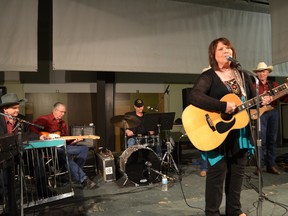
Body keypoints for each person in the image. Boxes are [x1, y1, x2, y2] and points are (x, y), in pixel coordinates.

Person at [188, 37, 272, 216]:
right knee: (217, 175)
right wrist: (222, 106)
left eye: (229, 49)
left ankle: (234, 210)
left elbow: (250, 104)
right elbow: (194, 96)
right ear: (213, 54)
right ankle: (212, 212)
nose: (226, 52)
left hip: (240, 132)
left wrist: (262, 101)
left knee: (237, 174)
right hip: (218, 132)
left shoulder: (243, 76)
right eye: (221, 49)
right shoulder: (209, 76)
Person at [30, 102, 97, 189]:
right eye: (61, 112)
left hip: (61, 146)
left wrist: (74, 141)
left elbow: (65, 140)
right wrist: (41, 136)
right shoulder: (44, 119)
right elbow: (31, 128)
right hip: (49, 148)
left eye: (64, 112)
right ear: (55, 110)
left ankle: (72, 174)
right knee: (63, 152)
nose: (63, 114)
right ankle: (83, 178)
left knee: (84, 148)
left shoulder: (63, 123)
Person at [0, 93, 47, 208]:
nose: (17, 110)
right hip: (3, 154)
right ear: (5, 109)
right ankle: (5, 199)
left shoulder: (21, 119)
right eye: (14, 108)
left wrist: (38, 137)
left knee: (36, 157)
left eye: (18, 107)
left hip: (18, 151)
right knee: (4, 167)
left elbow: (27, 134)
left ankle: (43, 191)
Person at [252, 62, 288, 175]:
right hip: (261, 113)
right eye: (259, 72)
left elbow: (284, 99)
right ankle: (260, 166)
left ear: (268, 72)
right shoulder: (253, 86)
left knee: (272, 140)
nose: (261, 74)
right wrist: (259, 101)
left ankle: (271, 165)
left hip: (273, 112)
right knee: (260, 140)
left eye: (263, 71)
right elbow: (249, 102)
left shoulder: (274, 85)